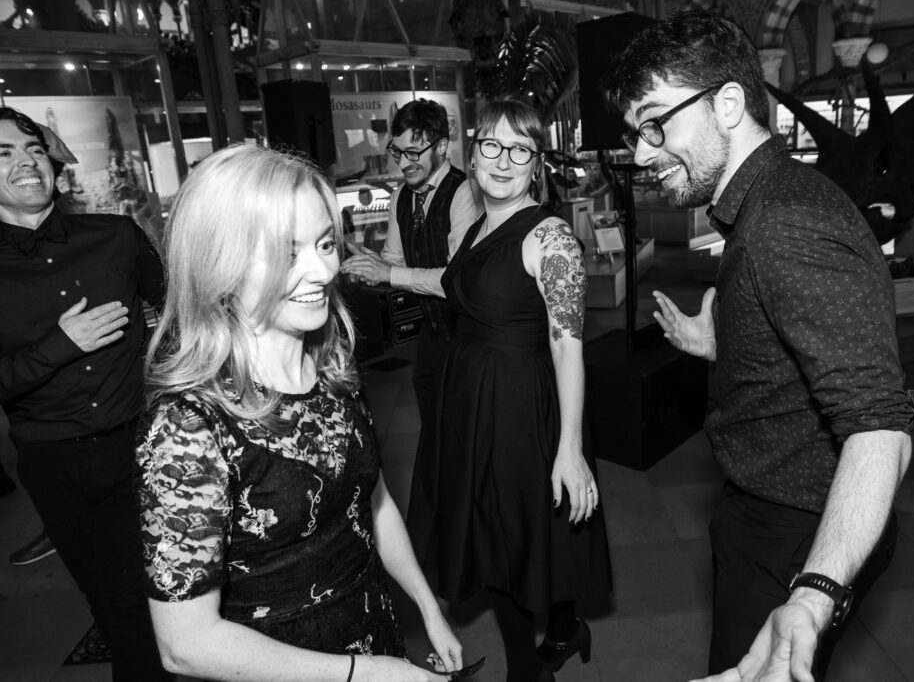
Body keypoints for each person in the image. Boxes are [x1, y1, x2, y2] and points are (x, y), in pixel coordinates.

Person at [604, 12, 914, 682]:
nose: (641, 152)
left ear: (726, 103)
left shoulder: (784, 221)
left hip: (795, 530)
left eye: (657, 123)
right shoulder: (765, 203)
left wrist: (814, 594)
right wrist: (725, 346)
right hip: (775, 512)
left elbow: (881, 429)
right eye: (636, 133)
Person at [136, 144, 462, 681]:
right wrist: (362, 675)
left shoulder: (333, 369)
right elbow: (185, 645)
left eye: (325, 242)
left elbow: (371, 502)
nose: (322, 269)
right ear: (220, 261)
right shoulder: (188, 424)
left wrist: (429, 609)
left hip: (373, 632)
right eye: (285, 253)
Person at [407, 99, 613, 682]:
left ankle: (528, 672)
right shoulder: (476, 227)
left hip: (521, 405)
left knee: (513, 537)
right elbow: (463, 294)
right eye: (492, 146)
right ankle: (565, 631)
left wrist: (569, 448)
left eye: (519, 149)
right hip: (470, 400)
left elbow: (569, 344)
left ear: (536, 164)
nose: (503, 160)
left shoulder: (551, 240)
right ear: (473, 155)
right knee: (513, 532)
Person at [0, 106, 169, 679]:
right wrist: (60, 345)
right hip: (53, 463)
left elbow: (177, 313)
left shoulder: (115, 236)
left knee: (135, 605)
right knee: (106, 602)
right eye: (3, 154)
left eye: (31, 149)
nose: (25, 163)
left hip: (135, 448)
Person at [340, 98, 480, 478]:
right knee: (437, 431)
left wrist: (388, 273)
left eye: (414, 152)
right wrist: (371, 267)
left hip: (473, 338)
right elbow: (396, 262)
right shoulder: (401, 195)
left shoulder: (465, 192)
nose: (403, 163)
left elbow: (455, 280)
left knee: (471, 433)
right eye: (397, 152)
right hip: (433, 335)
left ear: (440, 147)